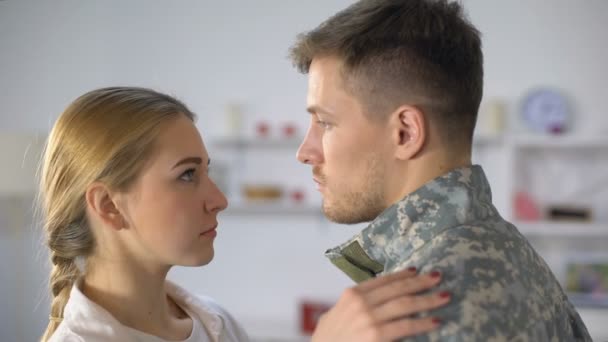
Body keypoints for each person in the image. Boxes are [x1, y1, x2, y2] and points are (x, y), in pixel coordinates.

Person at [39, 86, 450, 341]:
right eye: (186, 175)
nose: (218, 198)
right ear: (109, 205)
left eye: (206, 171)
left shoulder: (215, 323)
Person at [290, 0, 592, 341]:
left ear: (405, 132)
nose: (305, 152)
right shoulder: (506, 251)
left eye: (325, 123)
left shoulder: (422, 308)